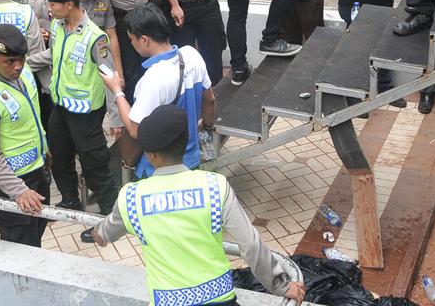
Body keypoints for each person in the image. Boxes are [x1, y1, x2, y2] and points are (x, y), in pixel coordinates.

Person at [87, 104, 305, 306]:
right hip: (220, 298)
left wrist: (99, 234)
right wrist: (282, 286)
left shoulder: (131, 198)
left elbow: (108, 230)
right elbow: (250, 244)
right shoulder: (215, 186)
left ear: (150, 154)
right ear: (184, 144)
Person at [101, 5, 216, 175]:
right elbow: (210, 99)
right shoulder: (192, 55)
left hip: (157, 168)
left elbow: (135, 130)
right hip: (191, 159)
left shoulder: (152, 79)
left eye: (132, 39)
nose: (132, 44)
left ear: (145, 40)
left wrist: (117, 91)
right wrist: (206, 127)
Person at [0, 24, 51, 246]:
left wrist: (44, 150)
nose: (17, 67)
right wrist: (19, 191)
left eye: (21, 60)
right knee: (19, 243)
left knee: (35, 233)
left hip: (36, 170)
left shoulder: (24, 74)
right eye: (9, 61)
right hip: (11, 184)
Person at [43, 0, 119, 213]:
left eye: (52, 3)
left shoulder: (95, 38)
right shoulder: (57, 27)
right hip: (61, 108)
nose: (49, 8)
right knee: (60, 157)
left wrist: (116, 116)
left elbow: (110, 76)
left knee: (94, 163)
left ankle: (109, 214)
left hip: (86, 114)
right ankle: (70, 200)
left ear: (68, 5)